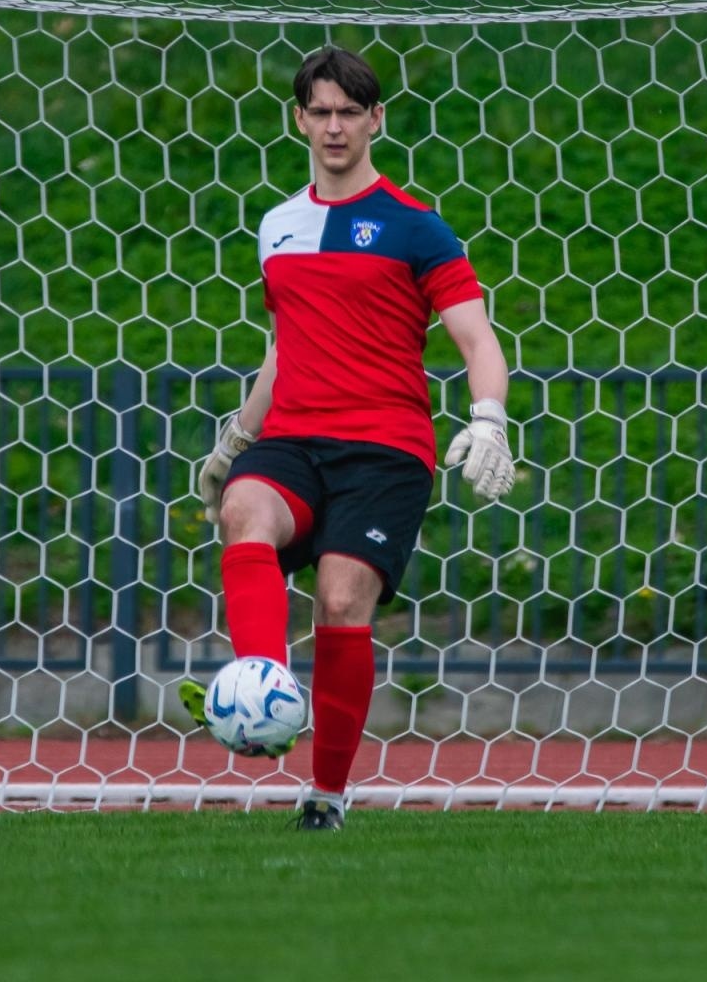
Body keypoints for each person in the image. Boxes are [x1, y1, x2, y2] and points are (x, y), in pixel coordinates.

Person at [181, 46, 515, 831]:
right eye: (321, 112)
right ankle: (263, 688)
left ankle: (326, 795)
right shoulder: (278, 227)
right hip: (294, 436)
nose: (335, 126)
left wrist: (489, 416)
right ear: (299, 119)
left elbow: (477, 338)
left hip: (385, 448)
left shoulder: (417, 227)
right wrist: (237, 439)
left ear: (376, 120)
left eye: (349, 112)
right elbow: (282, 347)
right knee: (243, 509)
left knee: (340, 599)